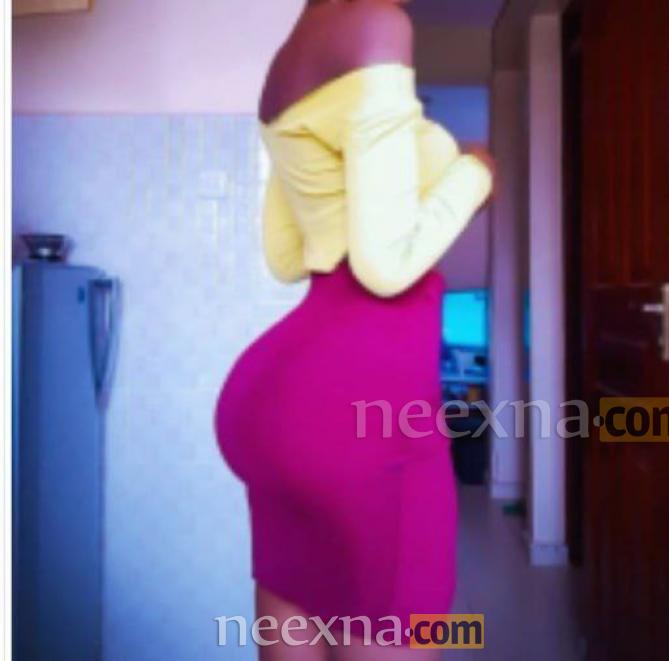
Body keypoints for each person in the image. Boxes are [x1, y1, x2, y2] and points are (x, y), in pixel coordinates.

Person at [215, 1, 494, 658]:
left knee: (299, 597)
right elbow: (385, 267)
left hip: (274, 404)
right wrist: (477, 171)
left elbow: (288, 255)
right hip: (364, 410)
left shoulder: (289, 57)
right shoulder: (377, 23)